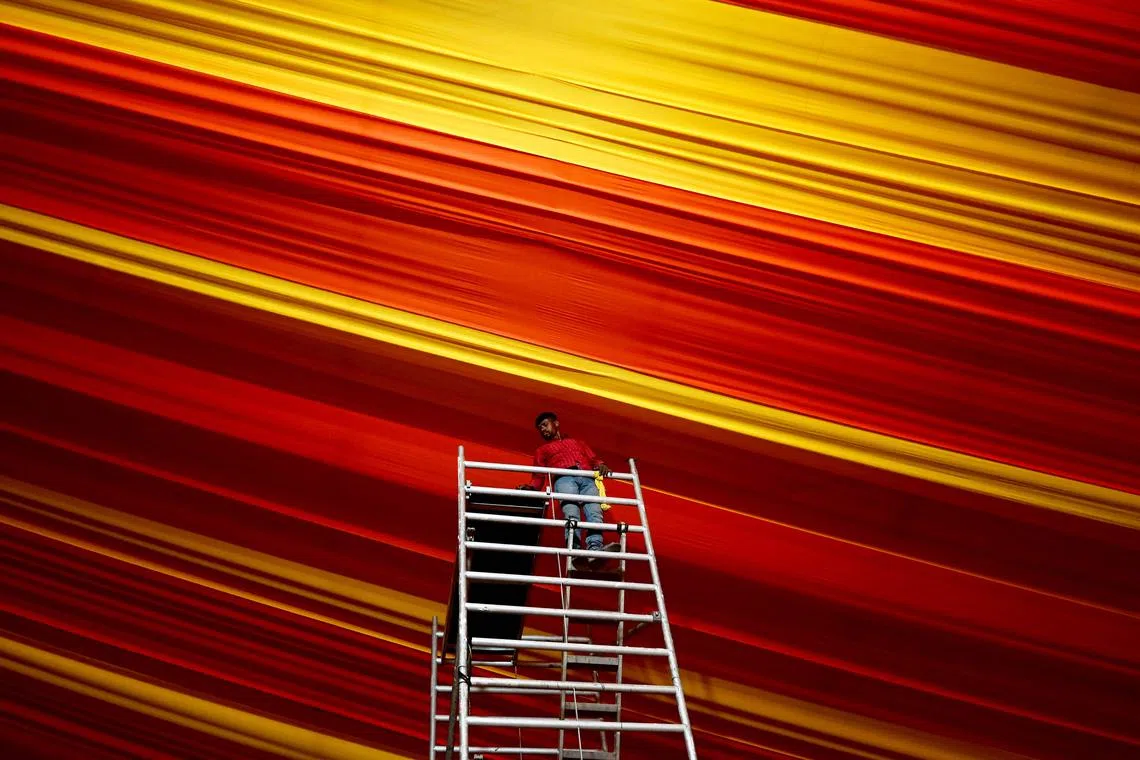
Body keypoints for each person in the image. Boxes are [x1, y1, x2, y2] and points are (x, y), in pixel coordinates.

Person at [518, 411, 620, 569]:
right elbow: (538, 476)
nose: (543, 429)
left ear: (556, 423)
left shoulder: (577, 442)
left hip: (587, 478)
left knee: (595, 513)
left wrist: (600, 464)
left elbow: (593, 458)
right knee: (572, 514)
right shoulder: (542, 450)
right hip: (564, 478)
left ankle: (595, 550)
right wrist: (530, 487)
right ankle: (575, 553)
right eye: (540, 428)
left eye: (545, 425)